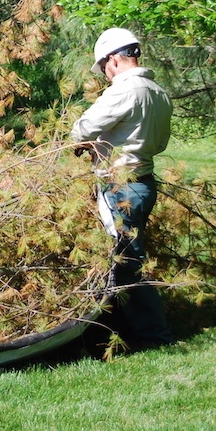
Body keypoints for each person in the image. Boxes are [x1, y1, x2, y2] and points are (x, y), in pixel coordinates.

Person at [71, 27, 176, 350]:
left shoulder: (124, 90)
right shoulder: (157, 91)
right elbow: (157, 141)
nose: (104, 75)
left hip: (120, 187)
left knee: (128, 262)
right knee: (125, 258)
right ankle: (119, 326)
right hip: (143, 182)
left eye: (103, 68)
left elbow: (83, 129)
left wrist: (83, 139)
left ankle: (153, 337)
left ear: (113, 59)